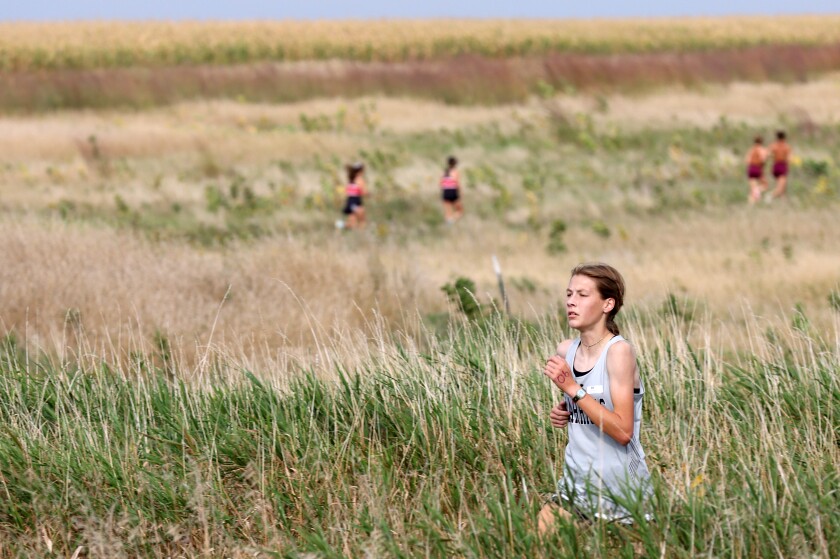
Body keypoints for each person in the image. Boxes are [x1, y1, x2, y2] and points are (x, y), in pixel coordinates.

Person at [538, 263, 652, 533]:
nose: (571, 302)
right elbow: (586, 405)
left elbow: (623, 431)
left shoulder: (619, 352)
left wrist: (573, 390)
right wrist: (566, 410)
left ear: (607, 304)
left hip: (620, 492)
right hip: (575, 485)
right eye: (568, 294)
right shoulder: (566, 349)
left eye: (582, 295)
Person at [341, 162, 366, 230]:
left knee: (352, 221)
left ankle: (339, 225)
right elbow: (363, 192)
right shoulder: (360, 180)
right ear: (360, 171)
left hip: (350, 201)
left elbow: (346, 191)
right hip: (356, 201)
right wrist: (369, 194)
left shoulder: (351, 180)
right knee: (361, 219)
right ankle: (361, 233)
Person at [440, 156, 463, 224]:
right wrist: (460, 192)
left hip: (445, 191)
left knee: (447, 212)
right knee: (459, 210)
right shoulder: (455, 172)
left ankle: (449, 223)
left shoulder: (444, 172)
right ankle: (452, 220)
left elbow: (441, 183)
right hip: (453, 191)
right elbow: (457, 183)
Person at [745, 136, 768, 204]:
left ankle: (751, 202)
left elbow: (747, 160)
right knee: (765, 185)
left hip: (750, 168)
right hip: (758, 168)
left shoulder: (751, 149)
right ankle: (757, 193)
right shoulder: (762, 149)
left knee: (752, 187)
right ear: (762, 142)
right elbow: (763, 159)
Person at [769, 130, 791, 199]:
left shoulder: (773, 145)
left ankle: (783, 200)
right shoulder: (786, 146)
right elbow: (789, 158)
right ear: (784, 137)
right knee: (781, 187)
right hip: (782, 166)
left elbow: (768, 154)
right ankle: (769, 197)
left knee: (782, 185)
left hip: (775, 165)